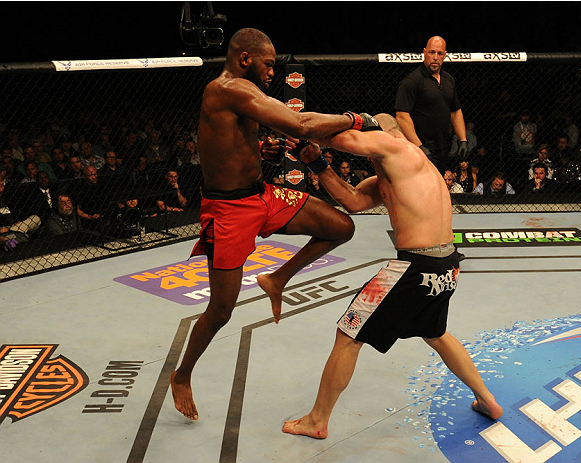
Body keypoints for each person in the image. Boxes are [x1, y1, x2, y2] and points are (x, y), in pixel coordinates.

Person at [170, 27, 374, 421]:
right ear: (245, 59)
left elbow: (225, 141)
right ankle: (182, 375)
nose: (272, 72)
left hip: (261, 195)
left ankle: (277, 279)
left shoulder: (242, 97)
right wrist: (355, 119)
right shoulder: (228, 89)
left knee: (341, 226)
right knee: (222, 310)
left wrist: (256, 147)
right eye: (267, 65)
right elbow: (300, 126)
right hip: (228, 210)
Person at [282, 113, 502, 439]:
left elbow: (336, 137)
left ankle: (317, 421)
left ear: (387, 135)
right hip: (445, 267)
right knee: (436, 332)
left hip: (415, 267)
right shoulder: (389, 175)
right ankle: (487, 400)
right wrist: (317, 164)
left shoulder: (400, 150)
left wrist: (296, 128)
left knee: (348, 334)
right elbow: (353, 201)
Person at [394, 35, 467, 174]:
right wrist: (419, 147)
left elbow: (455, 111)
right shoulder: (412, 81)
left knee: (438, 190)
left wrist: (463, 139)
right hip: (417, 149)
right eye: (432, 52)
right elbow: (402, 116)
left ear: (444, 55)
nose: (435, 57)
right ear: (424, 52)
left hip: (441, 147)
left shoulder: (448, 80)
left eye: (439, 53)